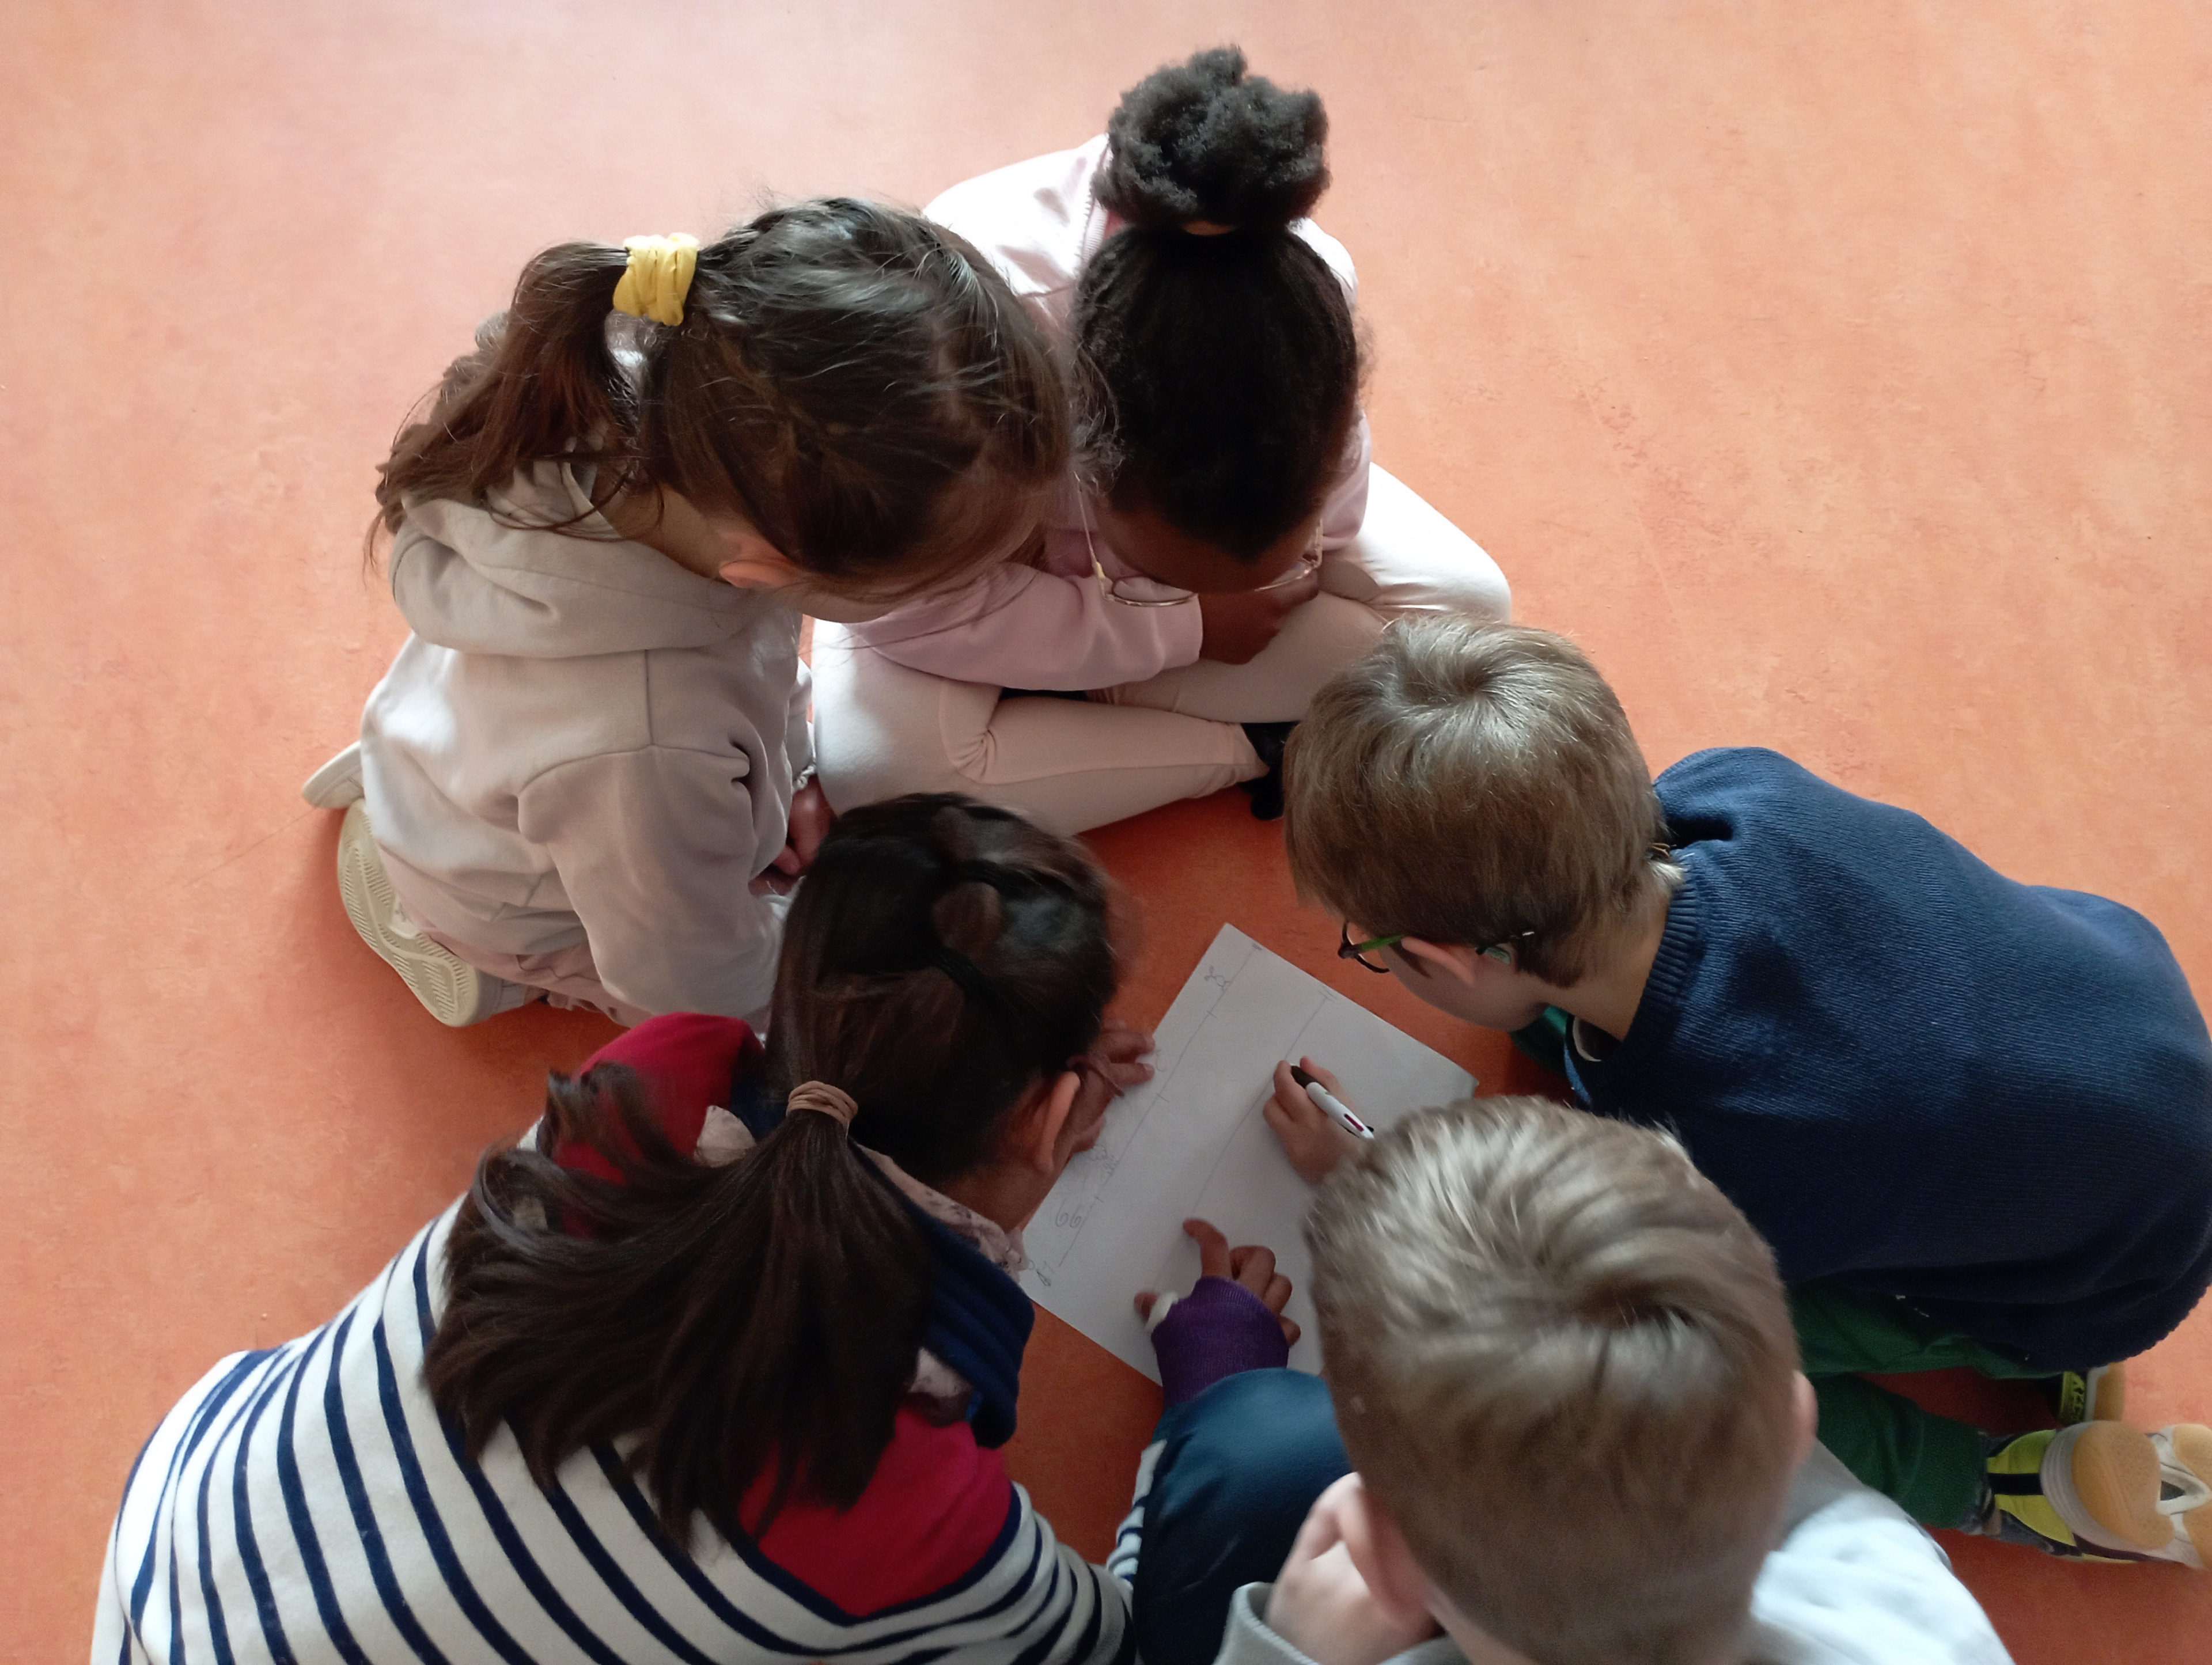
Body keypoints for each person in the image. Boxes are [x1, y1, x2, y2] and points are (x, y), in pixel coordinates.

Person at [92, 794, 1225, 1664]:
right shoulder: (906, 1492)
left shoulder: (660, 1071)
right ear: (1052, 1115)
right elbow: (1104, 1641)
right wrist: (1213, 1401)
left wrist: (1010, 1117)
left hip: (182, 1564)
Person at [1266, 616, 2212, 1567]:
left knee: (1650, 1378)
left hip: (2095, 1282)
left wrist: (1374, 1190)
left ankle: (1992, 1483)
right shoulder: (1730, 786)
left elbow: (1588, 1292)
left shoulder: (1718, 1155)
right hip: (2131, 1050)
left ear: (1443, 960)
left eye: (1369, 946)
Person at [300, 203, 1065, 1026]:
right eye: (925, 588)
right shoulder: (648, 744)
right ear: (767, 566)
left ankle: (416, 799)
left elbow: (761, 663)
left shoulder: (680, 422)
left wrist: (793, 774)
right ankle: (458, 942)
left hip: (473, 752)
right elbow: (685, 980)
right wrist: (834, 964)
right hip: (517, 901)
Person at [810, 47, 1512, 836]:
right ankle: (1249, 743)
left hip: (1067, 594)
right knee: (880, 773)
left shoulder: (1305, 290)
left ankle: (1078, 698)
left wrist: (1228, 599)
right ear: (1083, 468)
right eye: (1154, 574)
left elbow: (1338, 512)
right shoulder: (963, 348)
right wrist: (1186, 628)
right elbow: (901, 611)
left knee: (1471, 610)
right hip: (963, 574)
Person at [1120, 1096, 2015, 1665]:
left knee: (1247, 1455)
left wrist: (1284, 1652)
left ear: (1382, 1559)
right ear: (1796, 1420)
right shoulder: (1902, 1605)